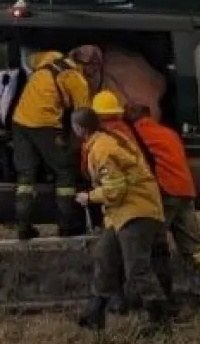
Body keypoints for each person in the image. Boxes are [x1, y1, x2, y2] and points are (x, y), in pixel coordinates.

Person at [71, 107, 174, 331]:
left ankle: (161, 319)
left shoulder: (101, 149)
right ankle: (94, 313)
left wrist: (89, 197)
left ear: (79, 129)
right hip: (123, 214)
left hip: (136, 211)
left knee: (137, 268)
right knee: (104, 256)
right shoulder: (108, 139)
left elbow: (116, 190)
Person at [125, 103, 200, 307]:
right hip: (186, 191)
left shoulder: (135, 133)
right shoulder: (169, 133)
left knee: (156, 244)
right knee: (194, 248)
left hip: (165, 193)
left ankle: (164, 297)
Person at [10, 50, 91, 239]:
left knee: (25, 175)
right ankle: (66, 225)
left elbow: (30, 60)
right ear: (86, 66)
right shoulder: (78, 80)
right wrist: (75, 145)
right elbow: (83, 118)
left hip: (20, 121)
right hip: (45, 125)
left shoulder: (51, 57)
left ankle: (23, 227)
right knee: (64, 171)